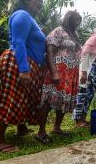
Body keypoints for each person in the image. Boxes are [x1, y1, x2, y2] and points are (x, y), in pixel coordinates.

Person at [0, 0, 45, 152]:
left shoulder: (29, 18)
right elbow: (19, 43)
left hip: (24, 63)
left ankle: (21, 128)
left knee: (23, 98)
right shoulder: (22, 15)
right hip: (18, 62)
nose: (41, 2)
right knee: (9, 99)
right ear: (26, 0)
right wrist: (24, 70)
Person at [37, 11, 82, 143]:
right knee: (48, 99)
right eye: (76, 20)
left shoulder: (75, 35)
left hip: (70, 72)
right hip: (58, 69)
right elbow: (49, 51)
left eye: (80, 21)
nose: (78, 23)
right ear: (69, 19)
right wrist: (54, 71)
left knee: (63, 99)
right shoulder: (58, 31)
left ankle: (56, 127)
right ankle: (41, 131)